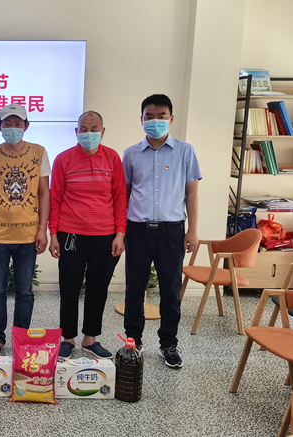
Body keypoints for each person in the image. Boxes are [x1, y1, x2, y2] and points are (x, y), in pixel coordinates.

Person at [122, 94, 201, 368]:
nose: (155, 121)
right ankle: (133, 342)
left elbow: (192, 193)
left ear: (171, 118)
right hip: (137, 230)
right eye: (150, 116)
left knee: (170, 291)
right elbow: (124, 195)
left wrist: (192, 230)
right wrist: (120, 231)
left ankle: (168, 344)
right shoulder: (130, 154)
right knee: (134, 289)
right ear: (141, 119)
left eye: (161, 116)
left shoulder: (185, 151)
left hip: (172, 231)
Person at [49, 110, 127, 360]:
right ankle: (68, 338)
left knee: (98, 288)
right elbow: (55, 199)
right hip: (70, 234)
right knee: (69, 287)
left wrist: (120, 233)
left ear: (102, 132)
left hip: (105, 236)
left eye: (94, 129)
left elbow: (120, 198)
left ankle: (90, 338)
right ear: (76, 131)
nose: (89, 133)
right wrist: (53, 234)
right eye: (84, 129)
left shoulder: (113, 158)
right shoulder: (63, 159)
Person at [0, 103, 51, 356]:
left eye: (17, 123)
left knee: (25, 292)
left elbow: (44, 192)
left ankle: (21, 338)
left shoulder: (39, 152)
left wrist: (43, 229)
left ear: (26, 126)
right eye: (7, 123)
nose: (12, 128)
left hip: (28, 235)